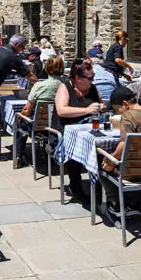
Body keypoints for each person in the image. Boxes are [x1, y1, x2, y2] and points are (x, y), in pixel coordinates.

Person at [97, 86, 141, 230]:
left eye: (117, 109)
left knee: (100, 162)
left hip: (132, 173)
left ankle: (116, 205)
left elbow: (124, 142)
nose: (118, 113)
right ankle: (133, 203)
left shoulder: (128, 116)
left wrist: (111, 159)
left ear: (126, 104)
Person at [54, 59, 104, 204]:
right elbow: (62, 111)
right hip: (66, 132)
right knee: (76, 146)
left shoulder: (92, 89)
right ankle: (75, 185)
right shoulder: (65, 87)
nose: (92, 80)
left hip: (90, 131)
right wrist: (86, 110)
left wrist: (100, 107)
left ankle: (100, 187)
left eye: (93, 77)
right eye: (90, 78)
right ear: (78, 78)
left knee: (102, 150)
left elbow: (101, 104)